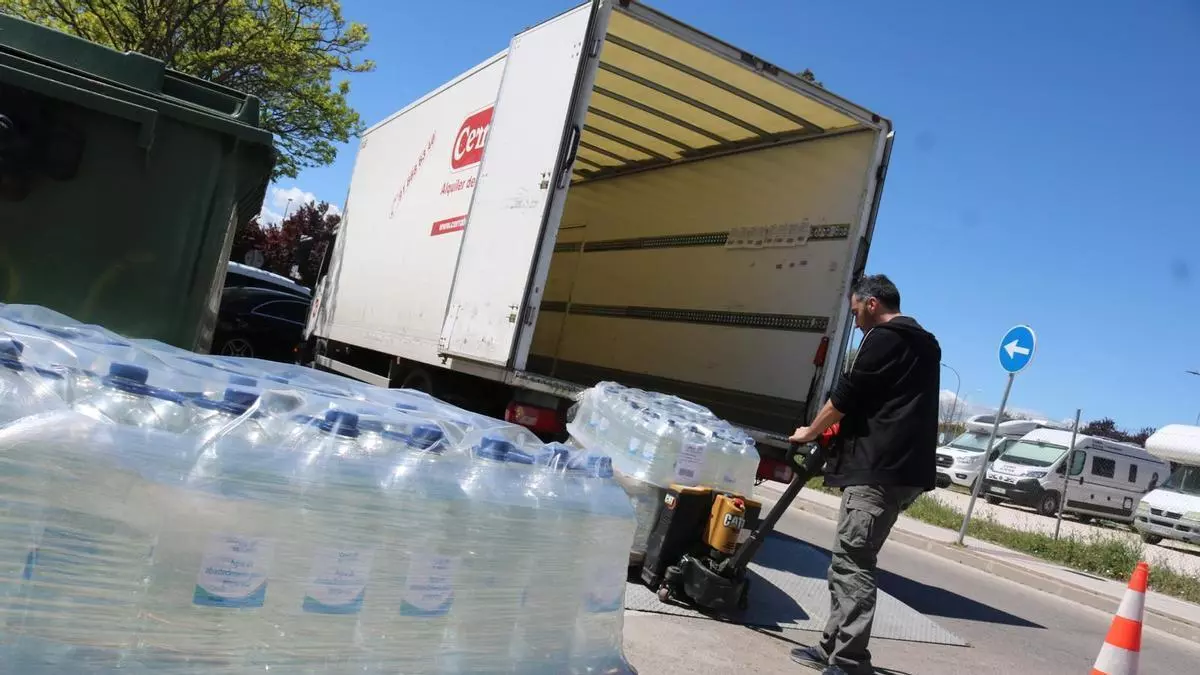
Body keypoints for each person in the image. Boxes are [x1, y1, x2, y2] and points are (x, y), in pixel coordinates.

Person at [787, 274, 941, 675]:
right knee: (848, 559)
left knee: (852, 563)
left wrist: (810, 431)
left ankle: (850, 661)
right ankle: (831, 647)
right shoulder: (924, 343)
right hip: (904, 471)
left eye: (856, 312)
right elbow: (883, 401)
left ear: (872, 304)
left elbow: (846, 396)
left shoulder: (884, 338)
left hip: (878, 470)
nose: (855, 323)